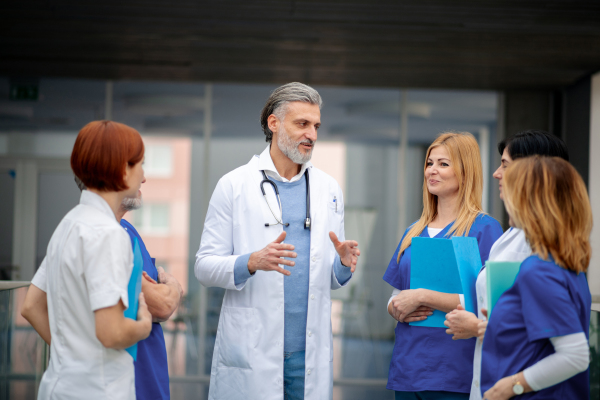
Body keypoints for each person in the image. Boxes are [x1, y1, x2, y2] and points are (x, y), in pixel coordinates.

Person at [194, 82, 360, 400]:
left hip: (306, 357)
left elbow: (330, 280)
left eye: (316, 126)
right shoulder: (233, 185)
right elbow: (204, 267)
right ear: (274, 123)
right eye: (302, 124)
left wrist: (342, 263)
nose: (311, 134)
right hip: (252, 351)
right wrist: (251, 262)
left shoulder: (329, 189)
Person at [23, 157, 183, 400]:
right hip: (123, 383)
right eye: (138, 167)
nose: (144, 177)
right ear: (117, 174)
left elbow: (31, 305)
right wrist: (173, 287)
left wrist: (73, 357)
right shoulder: (108, 234)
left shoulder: (79, 225)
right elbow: (161, 306)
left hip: (114, 379)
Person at [443, 130, 570, 400]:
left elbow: (556, 339)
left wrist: (477, 327)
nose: (496, 174)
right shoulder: (513, 234)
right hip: (495, 378)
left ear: (532, 173)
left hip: (520, 385)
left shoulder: (545, 243)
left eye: (505, 165)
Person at [383, 132, 503, 400]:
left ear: (465, 171)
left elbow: (489, 305)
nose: (431, 171)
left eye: (443, 164)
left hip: (455, 372)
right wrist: (396, 309)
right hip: (408, 369)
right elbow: (396, 296)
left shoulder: (485, 229)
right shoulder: (413, 231)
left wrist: (423, 297)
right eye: (429, 163)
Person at [480, 156, 591, 399]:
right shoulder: (566, 265)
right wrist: (503, 322)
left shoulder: (539, 270)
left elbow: (575, 355)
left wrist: (510, 386)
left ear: (531, 203)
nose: (505, 199)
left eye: (512, 193)